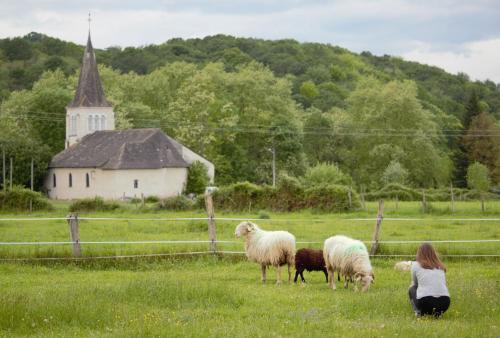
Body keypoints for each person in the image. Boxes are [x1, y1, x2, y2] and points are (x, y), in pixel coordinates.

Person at [408, 243, 450, 318]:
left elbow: (415, 284)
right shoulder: (440, 266)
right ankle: (437, 314)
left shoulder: (416, 265)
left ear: (419, 253)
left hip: (426, 302)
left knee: (412, 288)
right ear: (434, 253)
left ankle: (419, 313)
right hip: (445, 303)